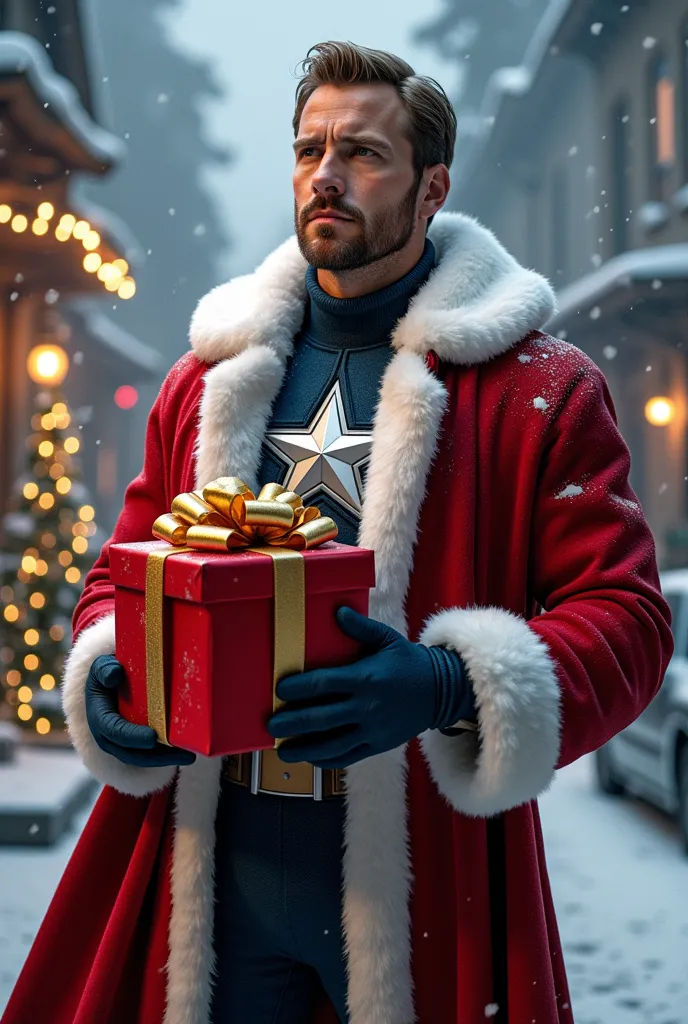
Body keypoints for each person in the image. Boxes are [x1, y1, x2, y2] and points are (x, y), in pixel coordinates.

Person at [4, 40, 673, 1024]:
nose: (326, 173)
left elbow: (626, 620)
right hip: (213, 866)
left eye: (362, 152)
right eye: (309, 146)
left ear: (430, 185)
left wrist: (452, 684)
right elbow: (125, 572)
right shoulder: (209, 382)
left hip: (426, 880)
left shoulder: (539, 389)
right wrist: (111, 675)